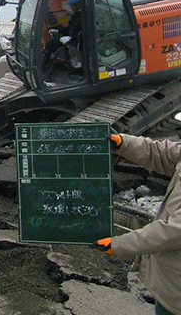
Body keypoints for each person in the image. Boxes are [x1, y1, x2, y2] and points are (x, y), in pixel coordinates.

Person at [91, 132, 181, 315]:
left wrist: (118, 244)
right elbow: (163, 153)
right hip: (170, 285)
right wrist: (124, 143)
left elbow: (172, 232)